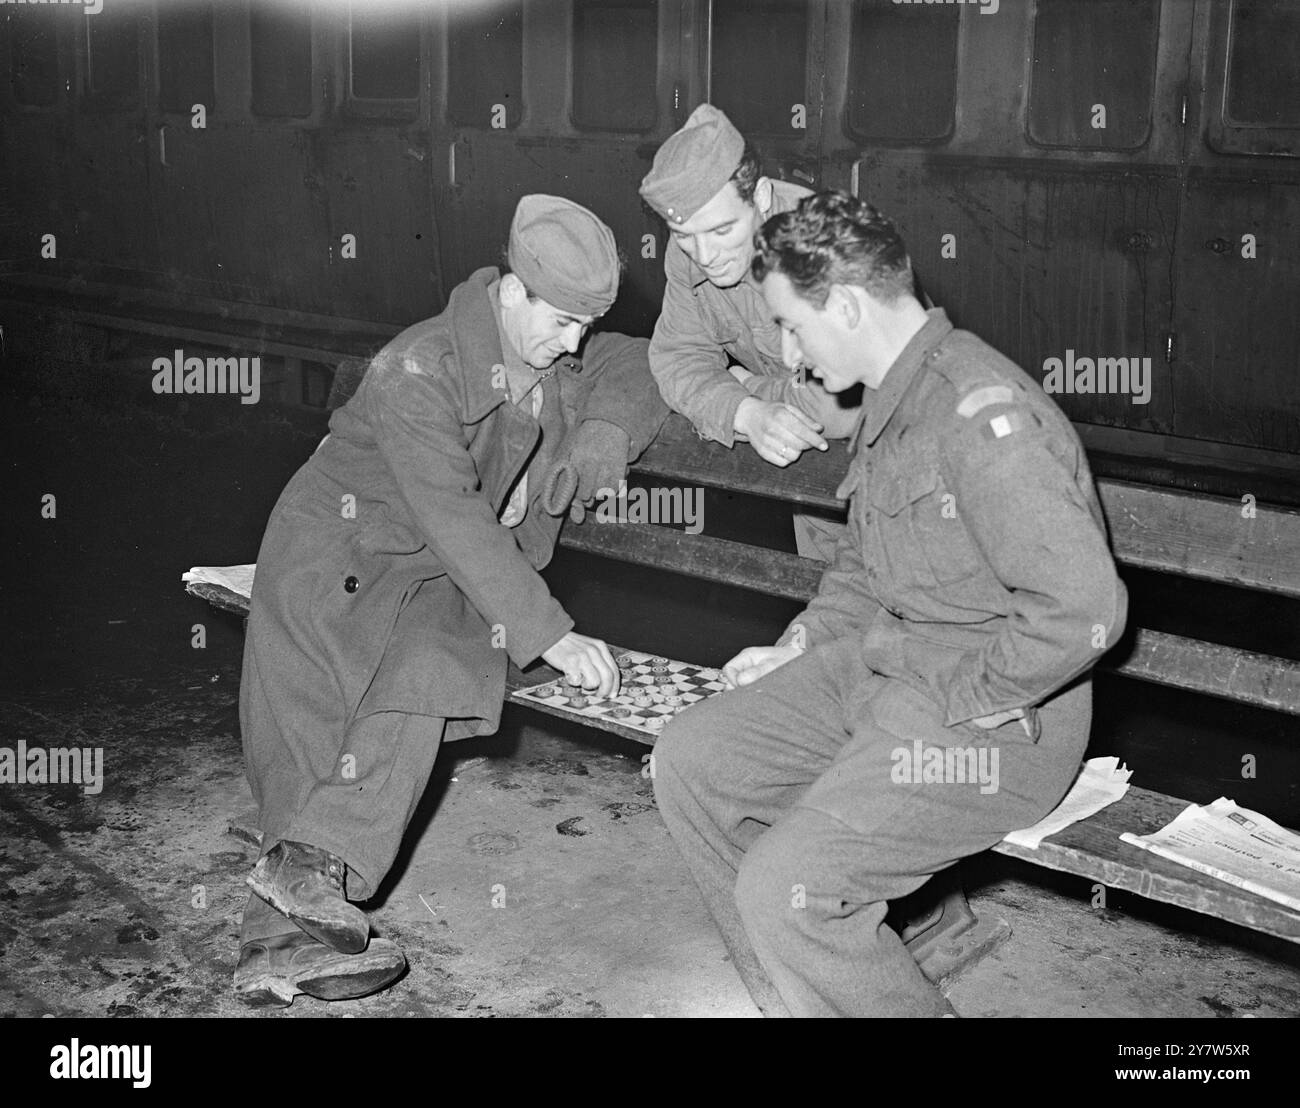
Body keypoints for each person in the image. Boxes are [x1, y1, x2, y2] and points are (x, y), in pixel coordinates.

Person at [652, 191, 1128, 1017]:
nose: (790, 358)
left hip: (1001, 722)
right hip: (890, 669)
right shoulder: (893, 397)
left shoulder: (981, 413)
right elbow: (867, 566)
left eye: (792, 328)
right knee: (692, 757)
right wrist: (801, 643)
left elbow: (1084, 608)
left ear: (843, 304)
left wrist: (966, 698)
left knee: (789, 888)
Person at [234, 195, 668, 1007]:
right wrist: (553, 634)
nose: (573, 342)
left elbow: (640, 361)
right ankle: (290, 914)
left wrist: (603, 430)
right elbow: (458, 521)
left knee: (435, 664)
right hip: (337, 559)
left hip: (432, 574)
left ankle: (294, 912)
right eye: (563, 321)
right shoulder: (420, 367)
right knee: (315, 719)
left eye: (585, 324)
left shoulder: (552, 347)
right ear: (513, 287)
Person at [639, 104, 927, 561]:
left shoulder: (820, 244)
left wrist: (749, 384)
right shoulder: (689, 252)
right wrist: (747, 412)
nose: (705, 254)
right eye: (683, 234)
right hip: (811, 465)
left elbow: (836, 404)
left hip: (906, 461)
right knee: (829, 601)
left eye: (721, 230)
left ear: (762, 197)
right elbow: (678, 357)